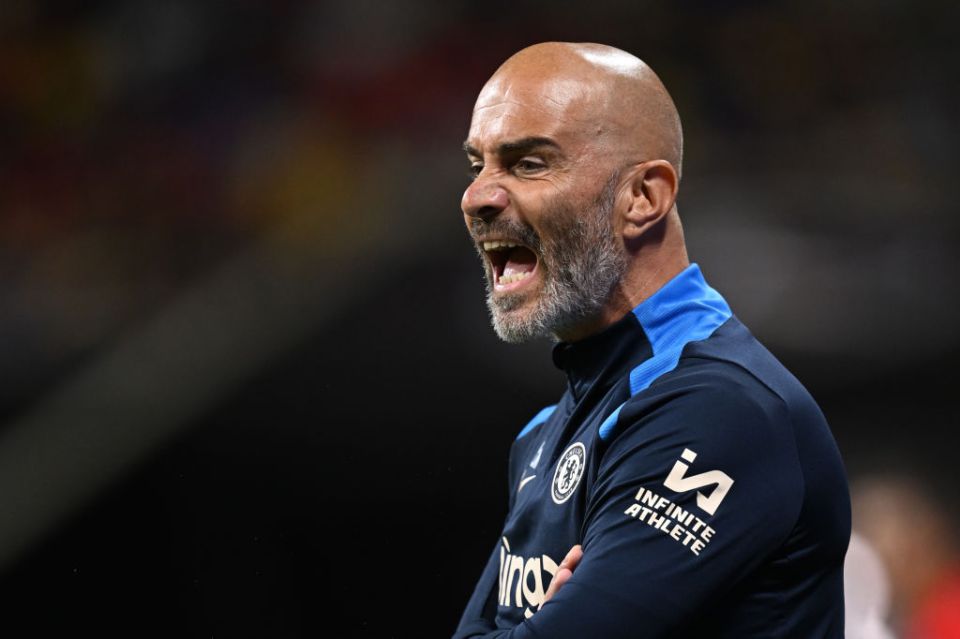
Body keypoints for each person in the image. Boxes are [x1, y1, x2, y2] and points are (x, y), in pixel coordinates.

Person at [453, 42, 851, 638]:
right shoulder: (542, 437)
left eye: (528, 163)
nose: (477, 196)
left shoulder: (721, 411)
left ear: (643, 198)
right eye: (476, 164)